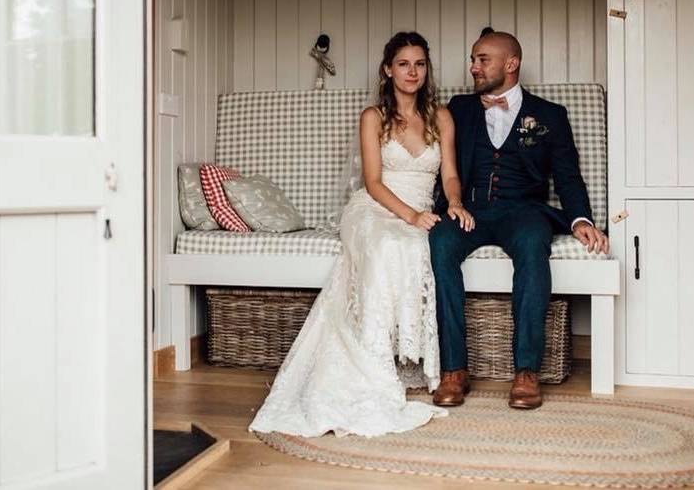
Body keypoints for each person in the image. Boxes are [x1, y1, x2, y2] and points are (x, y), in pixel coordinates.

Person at [249, 31, 474, 437]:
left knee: (420, 246)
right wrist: (410, 215)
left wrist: (454, 203)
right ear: (388, 70)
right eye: (403, 64)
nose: (412, 72)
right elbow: (372, 182)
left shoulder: (441, 117)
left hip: (421, 207)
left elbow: (451, 174)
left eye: (420, 64)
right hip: (376, 208)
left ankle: (410, 358)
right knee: (390, 244)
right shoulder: (374, 116)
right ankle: (374, 360)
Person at [429, 31, 609, 411]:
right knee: (441, 243)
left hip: (524, 211)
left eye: (482, 60)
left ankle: (527, 372)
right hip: (470, 210)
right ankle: (453, 370)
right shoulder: (458, 108)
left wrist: (579, 219)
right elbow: (439, 160)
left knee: (531, 243)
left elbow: (568, 175)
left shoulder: (549, 115)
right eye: (473, 60)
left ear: (511, 64)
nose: (473, 67)